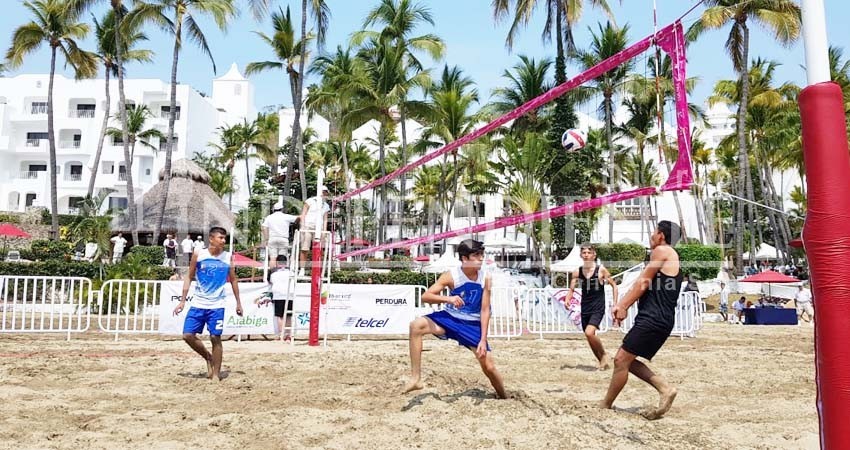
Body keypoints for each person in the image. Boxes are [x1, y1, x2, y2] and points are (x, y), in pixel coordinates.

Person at [403, 239, 507, 399]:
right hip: (450, 319)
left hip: (472, 325)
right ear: (465, 259)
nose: (481, 258)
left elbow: (485, 310)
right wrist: (448, 299)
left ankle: (504, 396)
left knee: (489, 367)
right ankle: (416, 378)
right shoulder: (451, 276)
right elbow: (425, 296)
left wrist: (483, 339)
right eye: (476, 255)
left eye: (482, 255)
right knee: (416, 326)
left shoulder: (486, 277)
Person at [602, 221, 683, 420]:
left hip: (654, 318)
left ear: (661, 235)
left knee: (621, 359)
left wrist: (622, 306)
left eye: (654, 231)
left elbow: (642, 283)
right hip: (659, 318)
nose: (651, 235)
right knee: (626, 360)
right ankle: (664, 389)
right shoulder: (670, 256)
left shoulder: (663, 251)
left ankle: (605, 405)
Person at [173, 227, 243, 381]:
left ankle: (216, 374)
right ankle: (208, 357)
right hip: (198, 303)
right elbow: (189, 277)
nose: (223, 241)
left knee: (215, 337)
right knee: (187, 335)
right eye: (220, 238)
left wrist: (239, 303)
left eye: (225, 238)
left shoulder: (227, 256)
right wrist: (182, 301)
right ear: (211, 239)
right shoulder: (199, 254)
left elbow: (233, 279)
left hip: (217, 305)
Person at [565, 243, 618, 370]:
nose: (586, 255)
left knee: (589, 333)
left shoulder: (601, 270)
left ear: (594, 255)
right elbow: (571, 289)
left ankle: (604, 355)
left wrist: (615, 304)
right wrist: (568, 299)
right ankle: (602, 362)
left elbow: (614, 286)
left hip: (598, 306)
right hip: (585, 307)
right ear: (581, 255)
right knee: (589, 337)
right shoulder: (577, 272)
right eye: (584, 253)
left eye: (589, 253)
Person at [298, 186, 330, 275]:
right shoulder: (310, 201)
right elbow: (303, 214)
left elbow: (325, 219)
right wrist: (303, 226)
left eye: (326, 193)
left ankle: (316, 269)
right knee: (305, 249)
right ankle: (302, 269)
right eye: (323, 192)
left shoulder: (326, 205)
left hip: (318, 229)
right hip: (308, 226)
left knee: (319, 249)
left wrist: (324, 231)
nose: (325, 194)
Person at [262, 202, 297, 270]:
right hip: (283, 239)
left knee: (272, 257)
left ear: (273, 209)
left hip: (272, 239)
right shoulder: (286, 216)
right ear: (282, 209)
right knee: (282, 257)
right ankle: (281, 273)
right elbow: (298, 218)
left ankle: (272, 274)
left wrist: (266, 239)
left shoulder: (269, 217)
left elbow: (263, 227)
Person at [268, 255, 294, 340]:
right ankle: (288, 334)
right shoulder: (291, 273)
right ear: (286, 263)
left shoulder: (274, 274)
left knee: (280, 316)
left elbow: (271, 282)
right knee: (289, 316)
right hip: (289, 295)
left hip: (278, 295)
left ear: (277, 263)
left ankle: (281, 334)